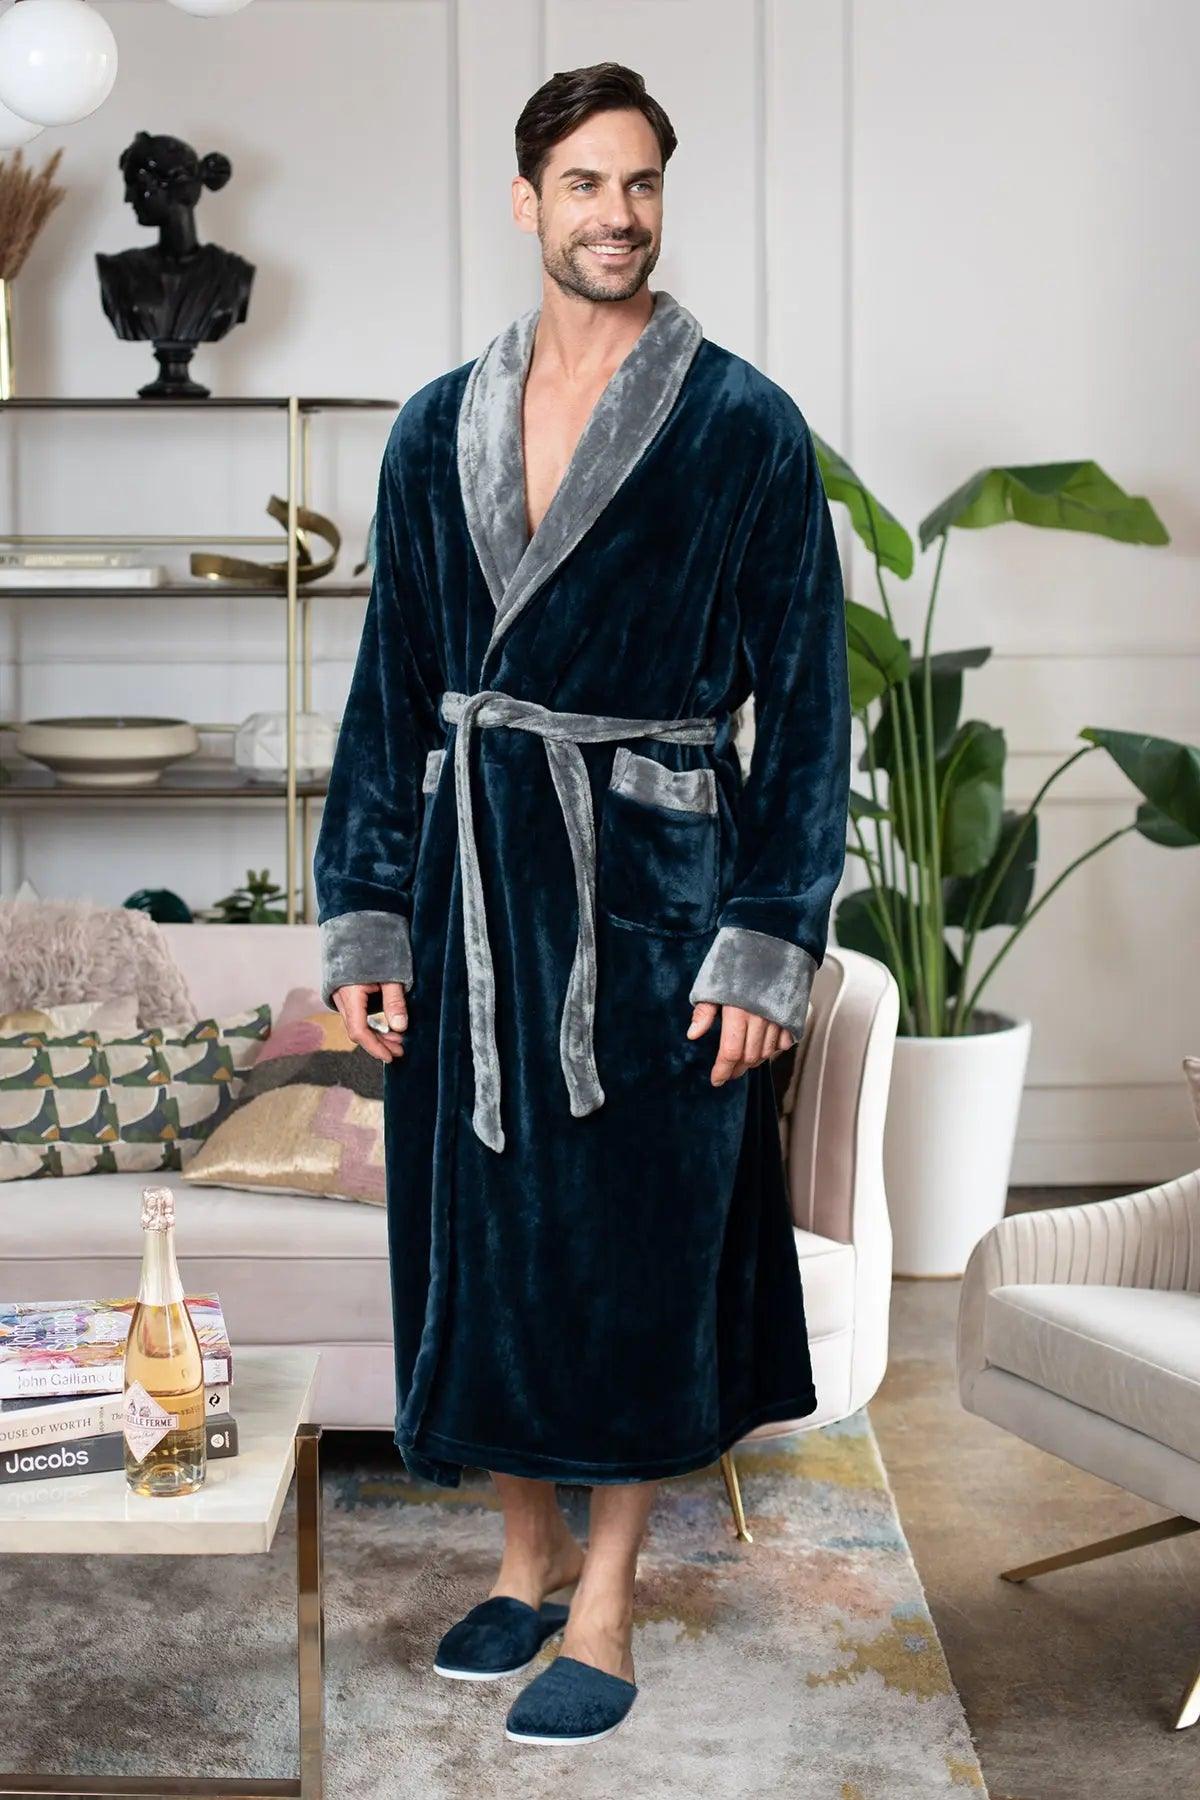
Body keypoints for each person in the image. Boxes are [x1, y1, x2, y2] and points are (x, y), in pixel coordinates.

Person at [313, 60, 851, 1746]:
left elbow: (810, 712)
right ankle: (525, 1555)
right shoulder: (435, 426)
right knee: (485, 1237)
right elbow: (390, 694)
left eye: (642, 183)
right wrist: (368, 914)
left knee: (634, 1253)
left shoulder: (743, 425)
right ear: (528, 200)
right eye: (585, 183)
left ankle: (607, 1597)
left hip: (655, 903)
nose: (617, 214)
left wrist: (768, 941)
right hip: (472, 890)